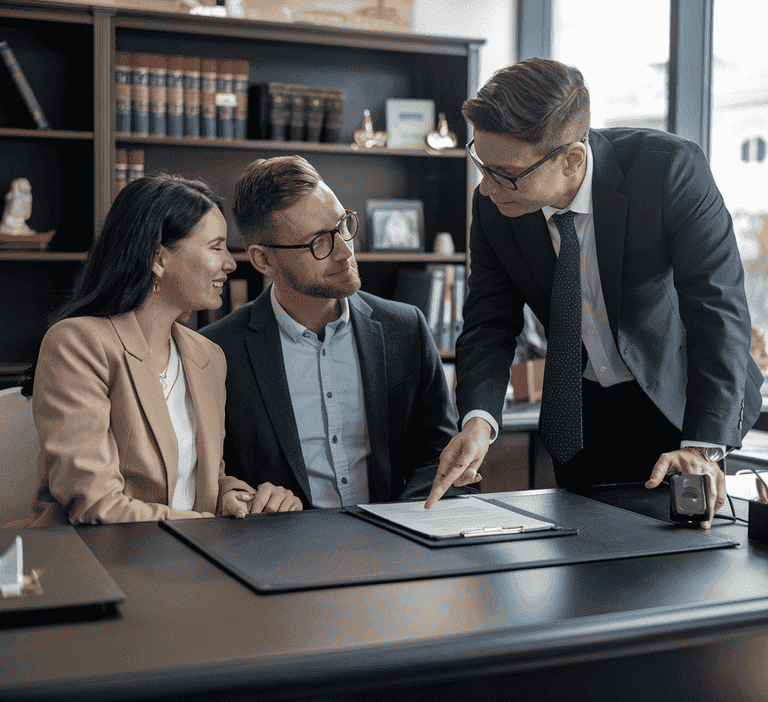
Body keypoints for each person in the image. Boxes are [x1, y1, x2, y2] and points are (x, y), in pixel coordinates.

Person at [426, 58, 763, 529]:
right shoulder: (496, 209)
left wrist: (704, 446)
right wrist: (478, 421)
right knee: (583, 564)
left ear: (572, 159)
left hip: (680, 401)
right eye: (481, 163)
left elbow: (719, 314)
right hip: (580, 415)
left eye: (504, 173)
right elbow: (488, 323)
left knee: (689, 562)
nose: (486, 188)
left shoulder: (669, 171)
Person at [16, 174, 301, 527]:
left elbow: (198, 476)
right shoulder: (77, 343)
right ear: (158, 258)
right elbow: (95, 503)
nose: (230, 263)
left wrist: (237, 496)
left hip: (188, 557)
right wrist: (206, 527)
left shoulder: (208, 356)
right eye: (216, 247)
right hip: (102, 562)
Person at [200, 155, 473, 508]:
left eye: (343, 225)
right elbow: (210, 475)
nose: (345, 250)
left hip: (396, 547)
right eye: (319, 242)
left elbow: (440, 456)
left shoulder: (406, 328)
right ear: (264, 260)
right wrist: (238, 496)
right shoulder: (217, 352)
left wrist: (404, 526)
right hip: (284, 552)